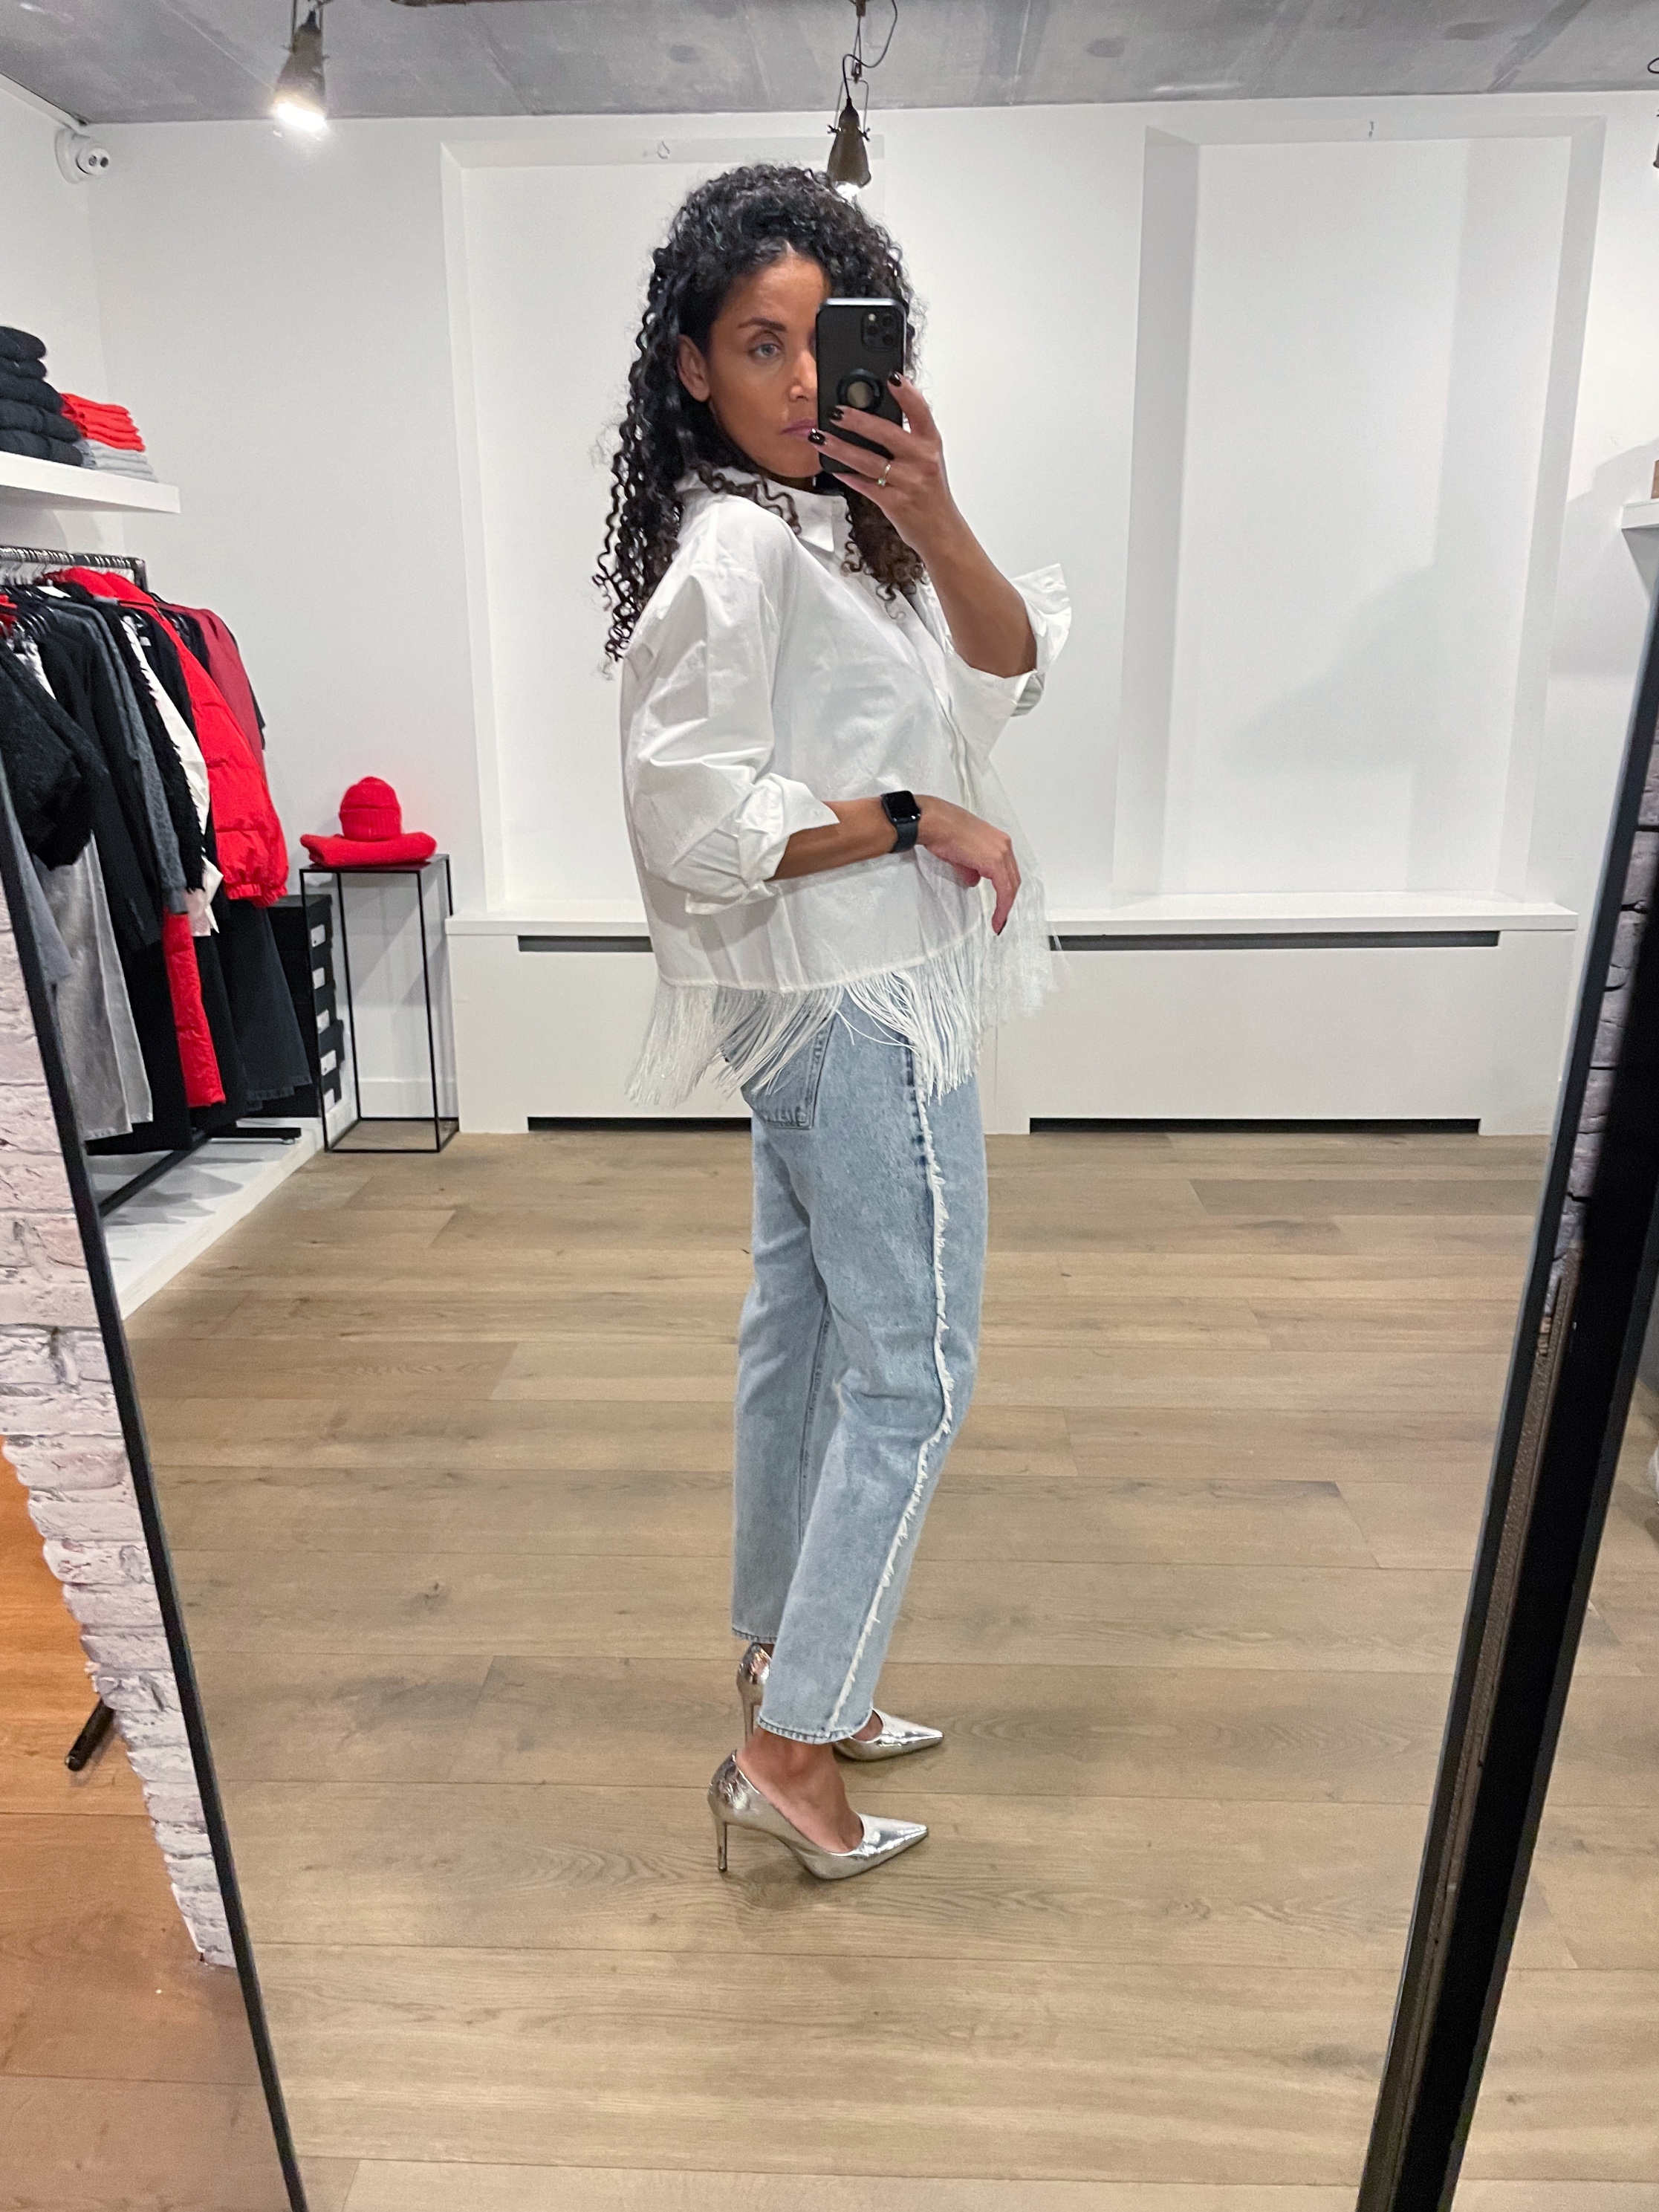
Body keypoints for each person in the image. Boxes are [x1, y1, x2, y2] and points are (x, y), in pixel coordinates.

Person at [597, 164, 1068, 1881]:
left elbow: (1007, 670)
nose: (802, 382)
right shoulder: (738, 545)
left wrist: (936, 516)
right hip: (857, 1003)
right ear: (690, 367)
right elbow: (691, 821)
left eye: (827, 343)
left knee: (801, 1338)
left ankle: (791, 1668)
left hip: (840, 999)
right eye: (758, 345)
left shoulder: (840, 530)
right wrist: (914, 817)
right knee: (913, 1373)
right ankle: (791, 1747)